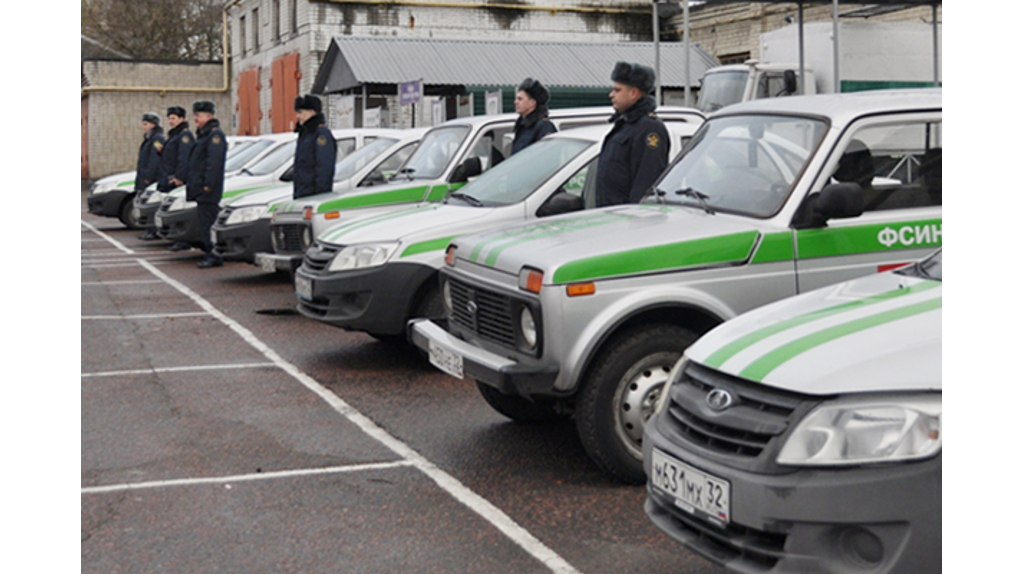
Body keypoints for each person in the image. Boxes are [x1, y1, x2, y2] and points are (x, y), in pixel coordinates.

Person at [594, 62, 670, 207]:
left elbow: (646, 184)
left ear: (634, 93)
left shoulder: (649, 129)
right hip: (610, 217)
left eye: (617, 90)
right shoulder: (625, 125)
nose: (611, 95)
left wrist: (633, 221)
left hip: (627, 221)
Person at [187, 100, 228, 268]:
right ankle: (211, 253)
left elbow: (214, 163)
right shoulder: (204, 134)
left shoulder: (214, 135)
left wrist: (208, 185)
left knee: (209, 223)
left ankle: (214, 255)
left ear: (208, 116)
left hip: (207, 190)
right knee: (205, 223)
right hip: (201, 188)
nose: (195, 118)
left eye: (198, 115)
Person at [143, 106, 194, 241]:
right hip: (167, 178)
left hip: (175, 181)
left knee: (178, 210)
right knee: (169, 208)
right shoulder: (174, 135)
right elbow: (172, 155)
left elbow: (184, 158)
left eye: (173, 118)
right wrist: (162, 151)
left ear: (181, 119)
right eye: (169, 118)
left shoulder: (184, 135)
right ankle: (173, 236)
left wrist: (179, 177)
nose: (170, 121)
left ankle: (182, 240)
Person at [292, 94, 336, 199]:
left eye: (301, 112)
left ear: (312, 112)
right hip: (302, 193)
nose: (298, 116)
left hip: (313, 196)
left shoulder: (321, 134)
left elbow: (324, 167)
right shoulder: (305, 134)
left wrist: (321, 196)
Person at [511, 78, 556, 155]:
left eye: (520, 99)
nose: (515, 102)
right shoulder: (522, 126)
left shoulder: (544, 127)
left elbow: (547, 158)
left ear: (532, 103)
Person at [135, 111, 165, 199]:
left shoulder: (157, 139)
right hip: (143, 178)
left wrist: (148, 177)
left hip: (148, 180)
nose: (143, 127)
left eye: (145, 124)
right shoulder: (149, 138)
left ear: (153, 125)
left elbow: (154, 159)